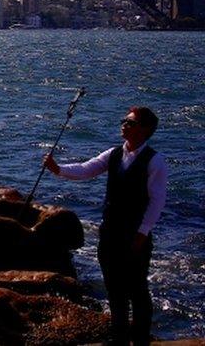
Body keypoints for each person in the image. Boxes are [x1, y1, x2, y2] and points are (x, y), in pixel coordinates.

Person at [44, 106, 167, 346]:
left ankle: (141, 339)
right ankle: (119, 337)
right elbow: (86, 169)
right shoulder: (113, 154)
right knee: (114, 288)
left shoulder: (155, 161)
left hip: (135, 235)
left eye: (130, 122)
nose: (124, 125)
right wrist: (58, 169)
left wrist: (143, 232)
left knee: (137, 289)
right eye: (124, 121)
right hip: (110, 232)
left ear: (145, 130)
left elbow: (157, 200)